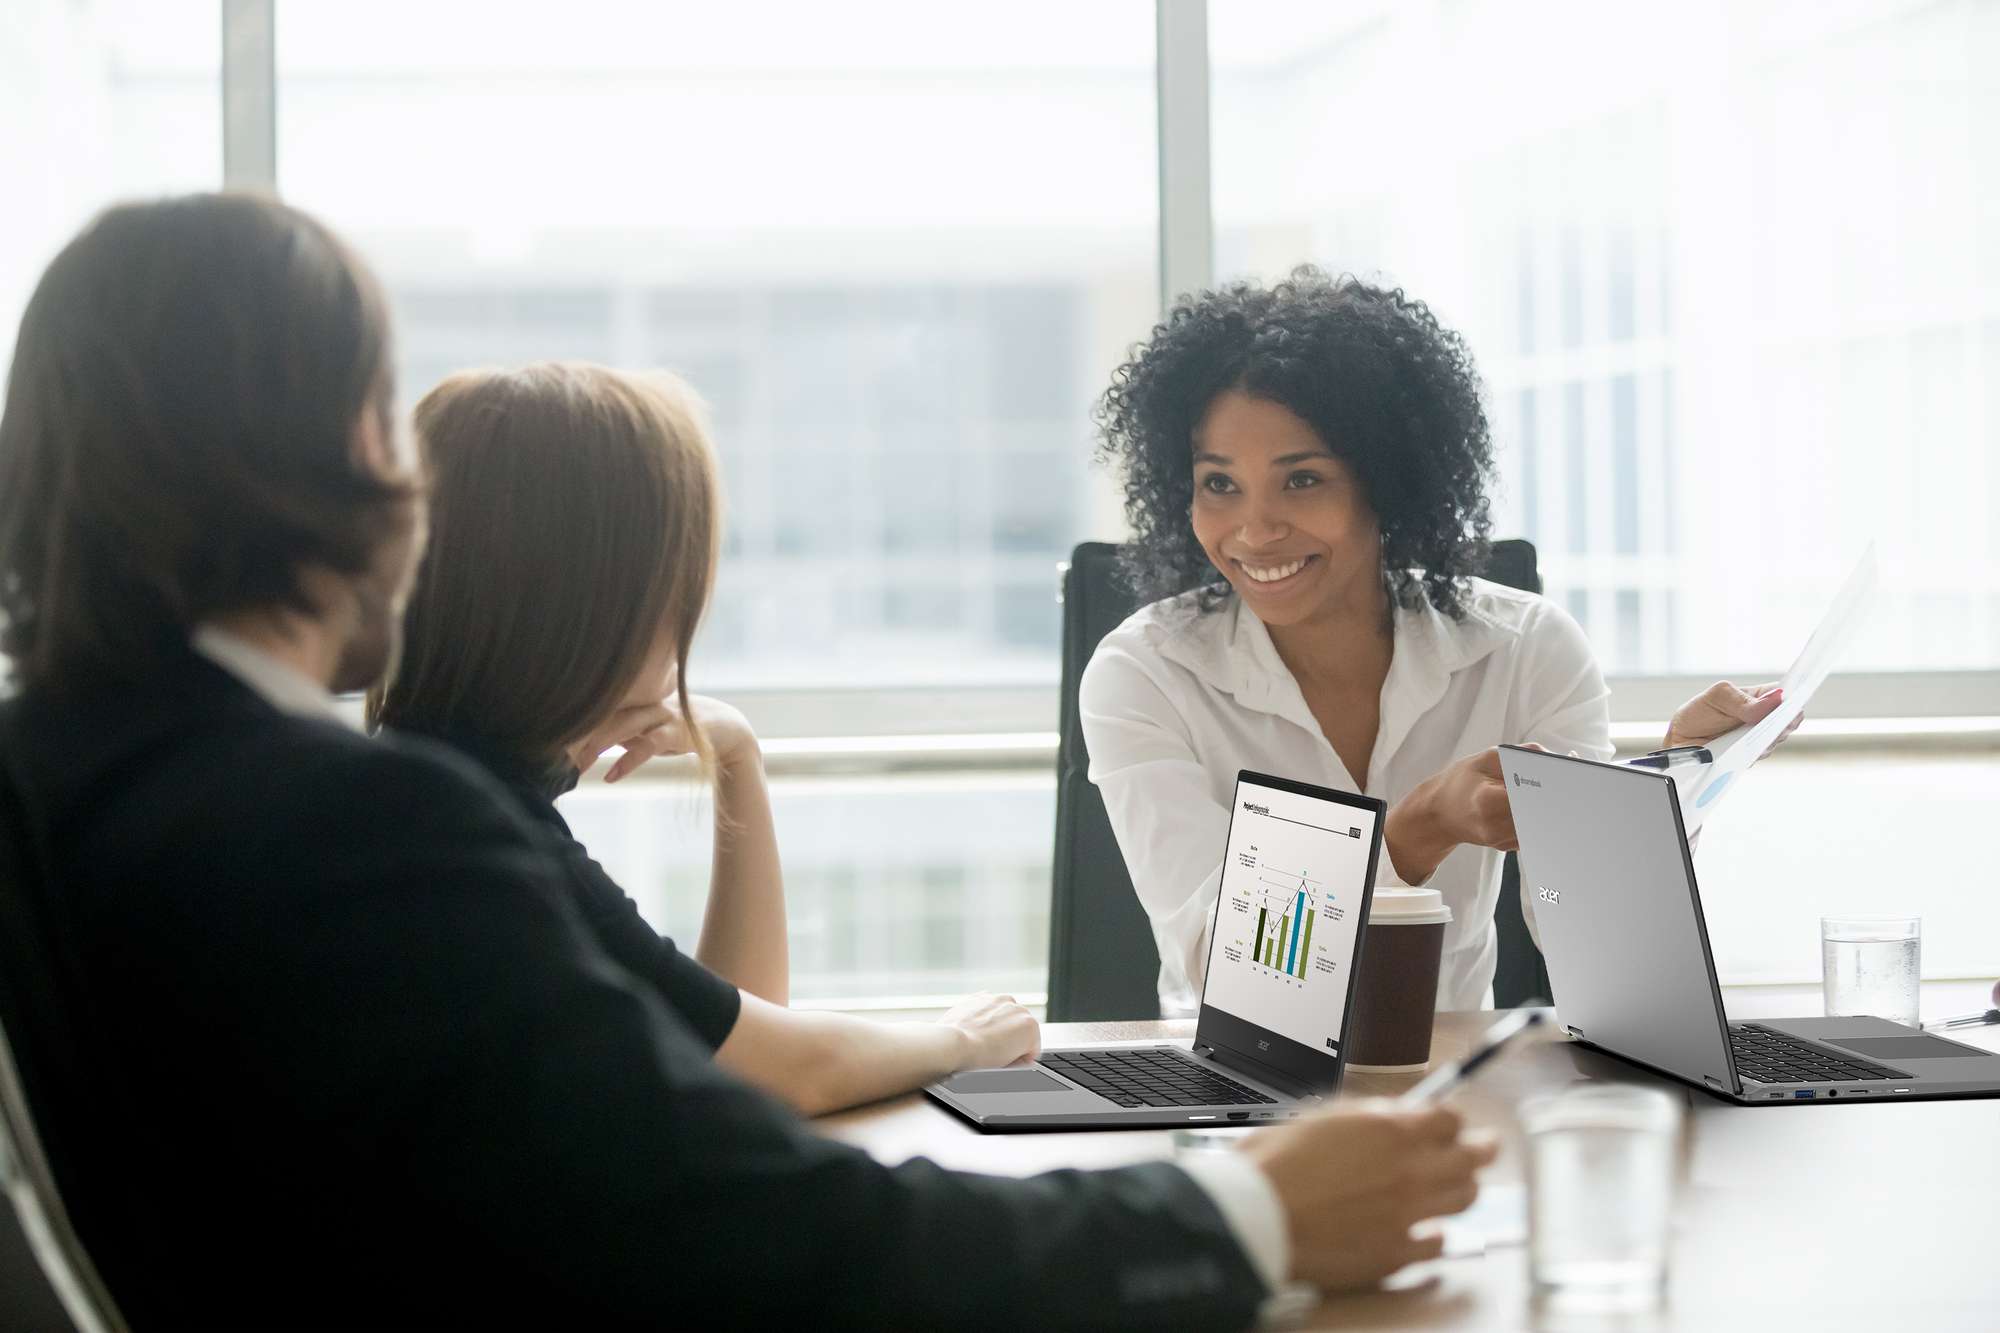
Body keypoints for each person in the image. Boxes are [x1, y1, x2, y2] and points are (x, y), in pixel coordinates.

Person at [0, 195, 1493, 1329]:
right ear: (328, 458)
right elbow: (770, 1237)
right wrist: (1246, 1214)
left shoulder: (55, 779)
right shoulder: (347, 829)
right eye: (388, 428)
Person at [1083, 268, 1786, 1014]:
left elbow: (1602, 949)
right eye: (1220, 485)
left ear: (1386, 482)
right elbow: (1231, 970)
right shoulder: (1145, 672)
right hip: (1234, 1090)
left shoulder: (1524, 649)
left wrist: (1676, 780)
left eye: (1303, 481)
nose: (1254, 530)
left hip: (1452, 1088)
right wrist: (1418, 831)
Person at [366, 361, 1039, 1114]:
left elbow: (731, 1034)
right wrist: (962, 1041)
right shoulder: (478, 828)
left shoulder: (432, 777)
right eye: (672, 597)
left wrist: (737, 758)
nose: (679, 644)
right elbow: (771, 1072)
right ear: (597, 608)